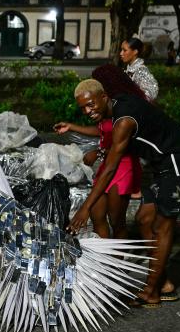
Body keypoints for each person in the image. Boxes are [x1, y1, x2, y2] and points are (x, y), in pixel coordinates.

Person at [67, 79, 180, 307]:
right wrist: (99, 151)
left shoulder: (124, 120)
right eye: (83, 108)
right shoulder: (119, 104)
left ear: (103, 97)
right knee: (144, 219)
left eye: (91, 105)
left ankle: (151, 292)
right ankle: (164, 284)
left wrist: (84, 208)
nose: (88, 111)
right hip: (161, 165)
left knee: (162, 225)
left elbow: (110, 169)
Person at [54, 64, 147, 239]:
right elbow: (103, 131)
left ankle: (118, 264)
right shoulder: (103, 109)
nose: (87, 111)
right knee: (97, 216)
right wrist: (72, 127)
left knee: (116, 221)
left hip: (121, 166)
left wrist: (98, 153)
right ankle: (104, 260)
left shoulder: (119, 108)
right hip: (107, 165)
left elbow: (121, 140)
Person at [120, 37, 158, 102]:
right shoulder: (128, 69)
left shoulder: (141, 70)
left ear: (135, 52)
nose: (121, 53)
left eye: (125, 50)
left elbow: (152, 92)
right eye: (121, 50)